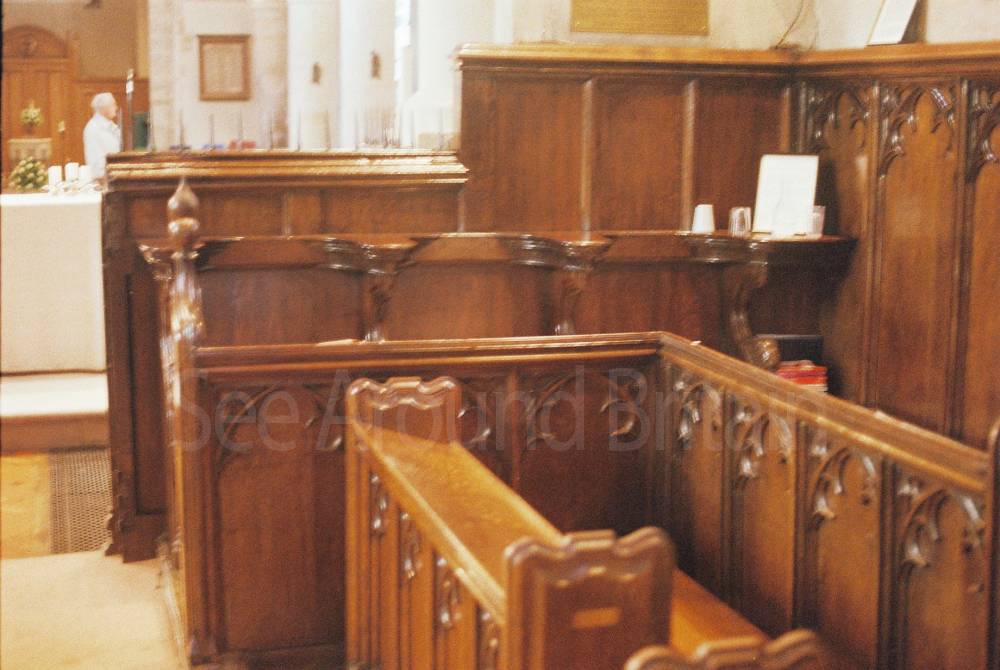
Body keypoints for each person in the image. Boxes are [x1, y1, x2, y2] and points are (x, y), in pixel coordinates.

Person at [83, 92, 122, 179]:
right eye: (113, 105)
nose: (116, 108)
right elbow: (96, 160)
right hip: (103, 178)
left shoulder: (112, 127)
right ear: (104, 108)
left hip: (114, 175)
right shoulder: (93, 128)